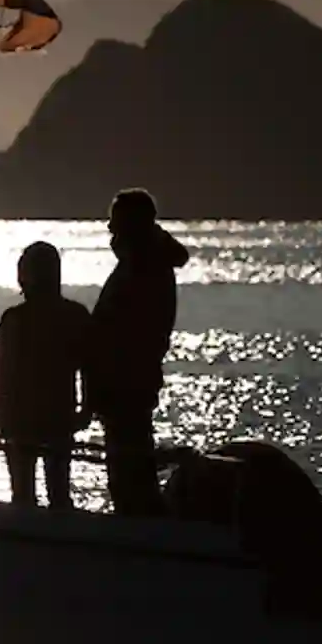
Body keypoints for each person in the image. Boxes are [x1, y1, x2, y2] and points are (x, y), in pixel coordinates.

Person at [86, 189, 189, 516]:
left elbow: (125, 330)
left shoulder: (143, 268)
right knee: (129, 462)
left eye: (115, 222)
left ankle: (142, 526)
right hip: (127, 381)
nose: (109, 229)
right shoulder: (144, 263)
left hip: (126, 382)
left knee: (129, 466)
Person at [0, 241, 90, 510]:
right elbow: (89, 366)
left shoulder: (14, 319)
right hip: (58, 412)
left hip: (21, 414)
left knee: (23, 493)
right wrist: (87, 407)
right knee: (58, 491)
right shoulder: (75, 315)